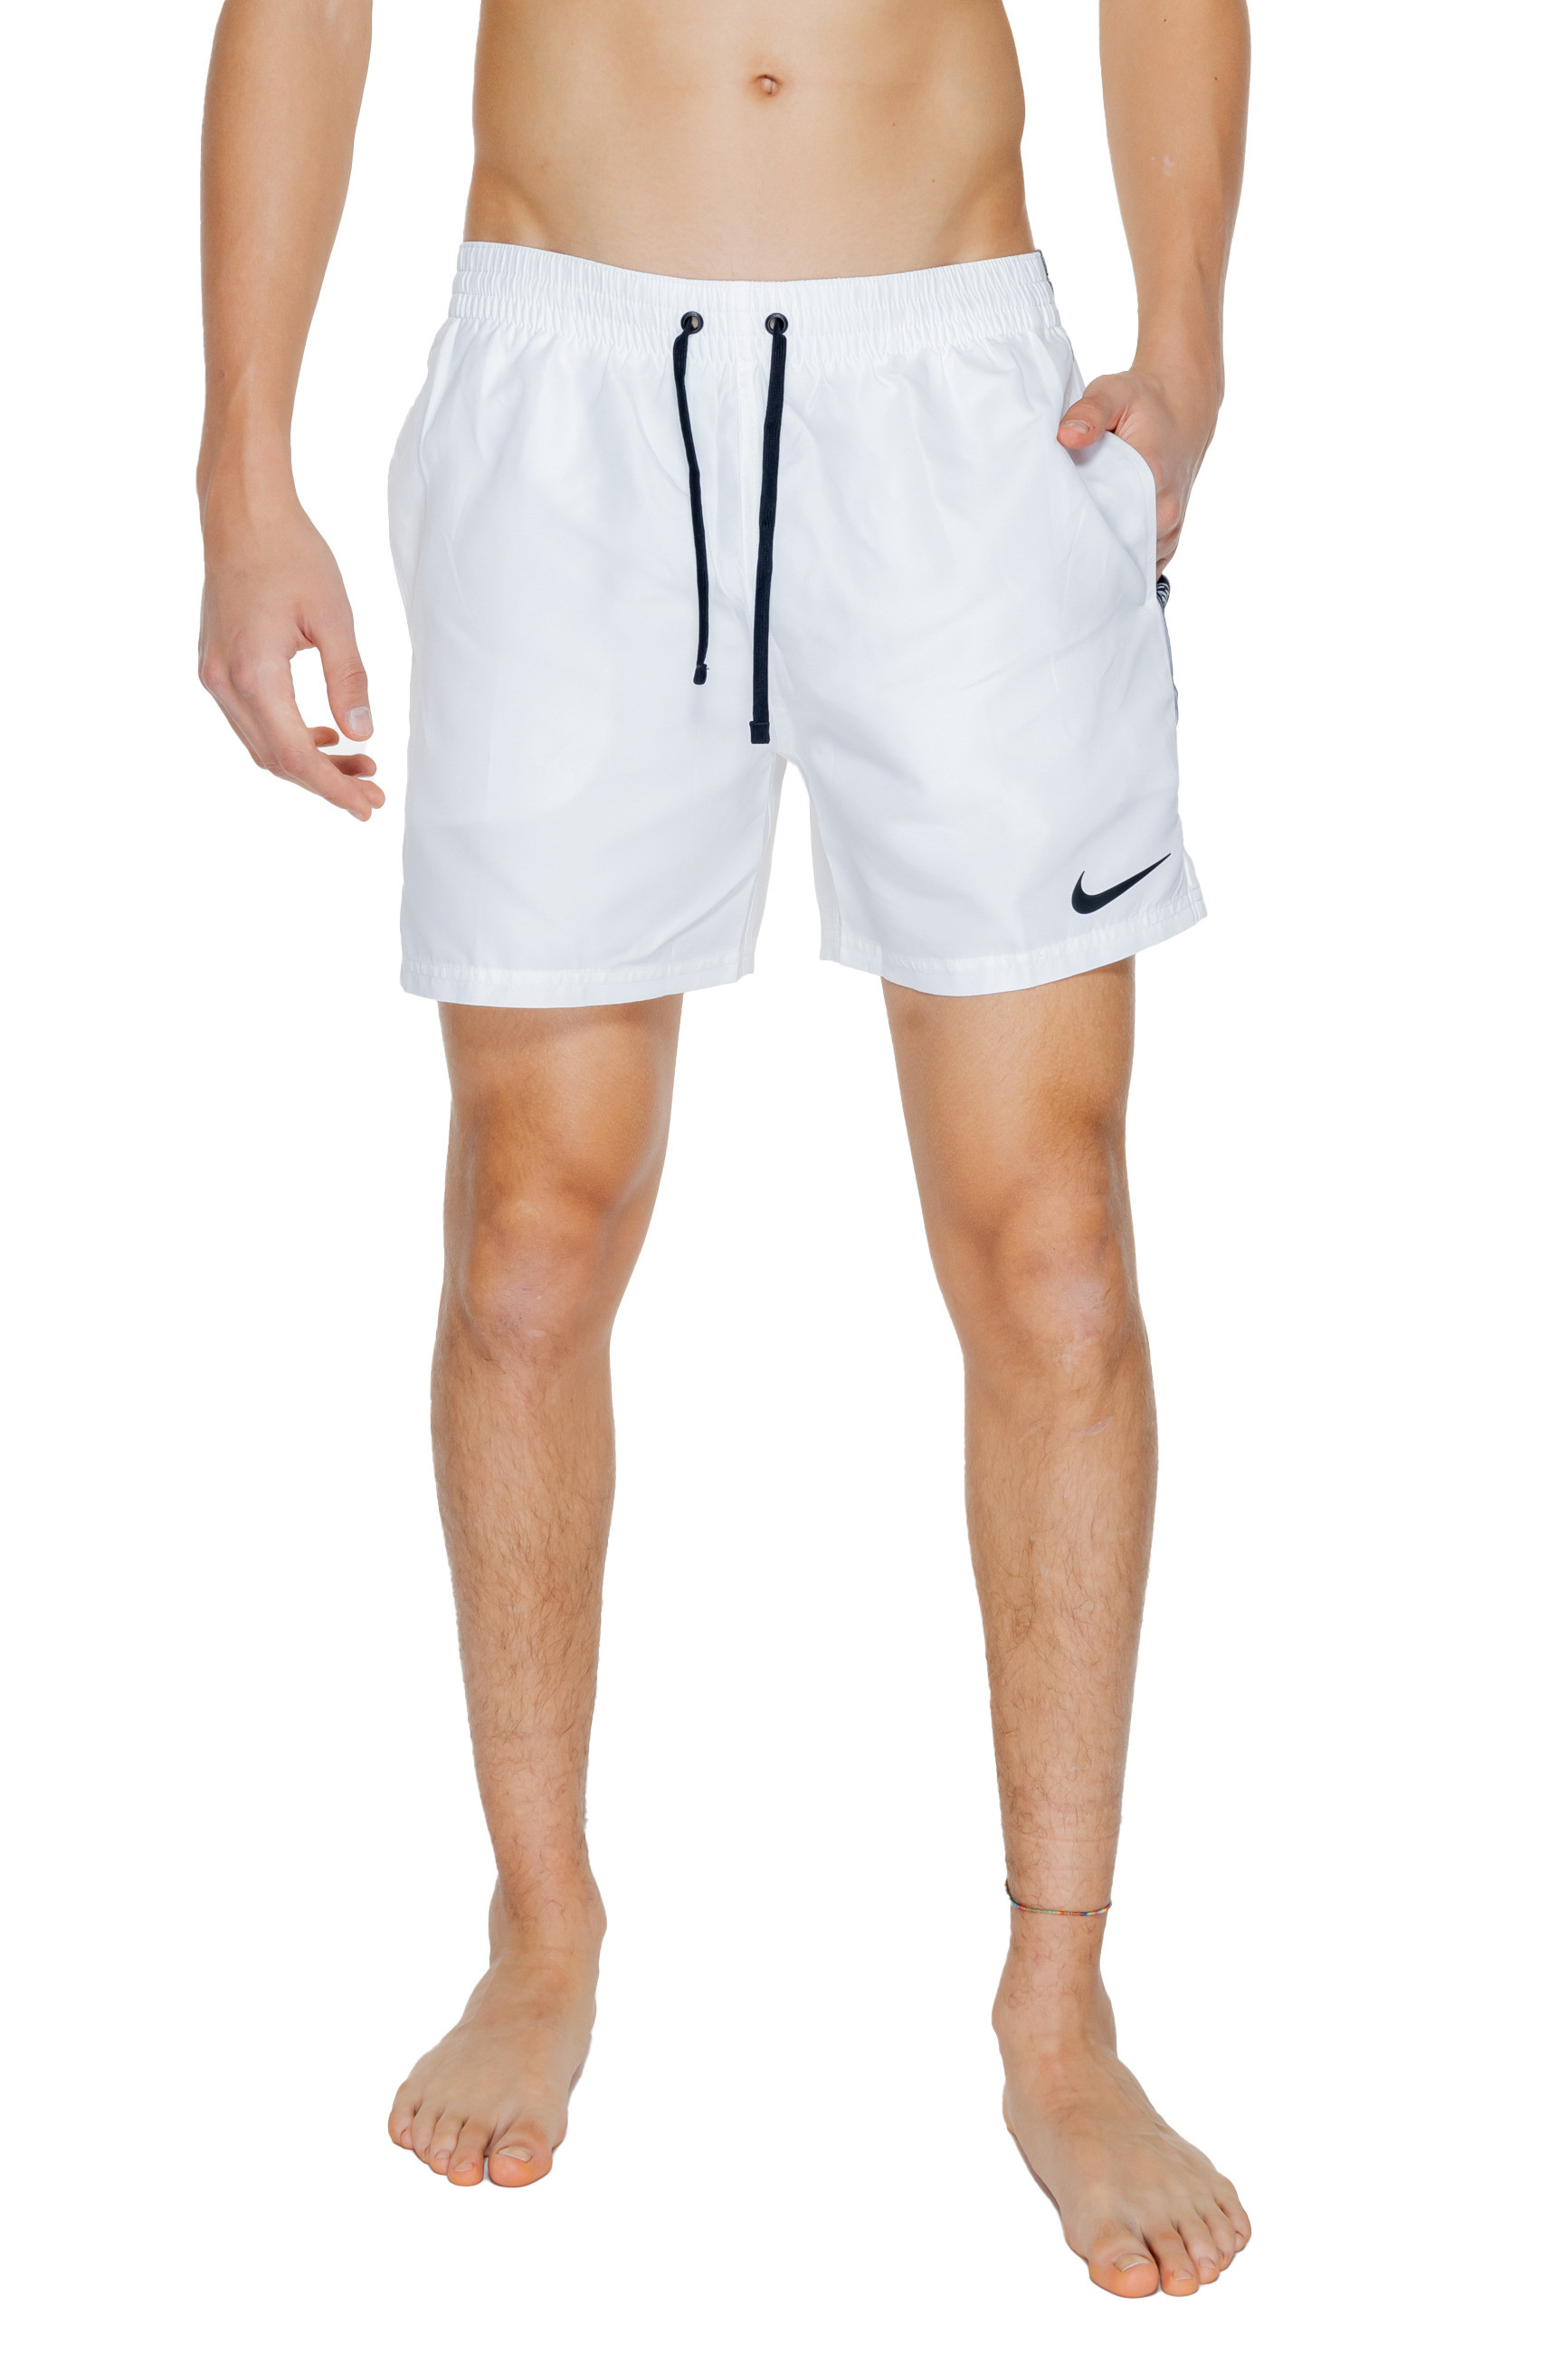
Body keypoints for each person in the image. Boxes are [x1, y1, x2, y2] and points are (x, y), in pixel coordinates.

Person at [197, 0, 1251, 2297]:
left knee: (1057, 1247)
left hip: (958, 408)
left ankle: (1060, 2009)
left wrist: (1185, 347)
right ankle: (540, 1925)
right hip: (567, 386)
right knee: (530, 1239)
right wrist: (241, 470)